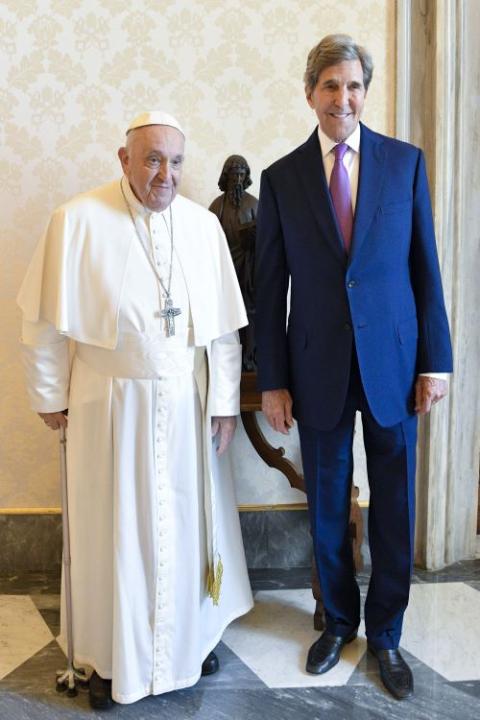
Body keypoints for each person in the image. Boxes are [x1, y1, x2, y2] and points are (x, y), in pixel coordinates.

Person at [17, 111, 253, 710]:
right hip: (107, 408)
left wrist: (224, 402)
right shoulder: (77, 221)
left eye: (175, 162)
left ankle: (190, 641)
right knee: (110, 531)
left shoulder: (202, 228)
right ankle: (107, 656)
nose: (165, 174)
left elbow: (223, 333)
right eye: (152, 159)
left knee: (188, 523)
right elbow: (42, 322)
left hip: (183, 404)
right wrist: (50, 394)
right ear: (124, 160)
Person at [255, 35, 452, 700]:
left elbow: (426, 269)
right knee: (329, 507)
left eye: (354, 86)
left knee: (394, 504)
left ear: (365, 92)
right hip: (317, 367)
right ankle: (337, 621)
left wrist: (438, 362)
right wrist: (274, 379)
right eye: (330, 86)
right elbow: (269, 287)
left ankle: (388, 633)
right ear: (310, 92)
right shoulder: (281, 178)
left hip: (396, 365)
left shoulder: (404, 165)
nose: (343, 98)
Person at [209, 155, 258, 371]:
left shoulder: (254, 204)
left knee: (249, 314)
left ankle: (250, 357)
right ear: (226, 177)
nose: (237, 179)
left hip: (248, 268)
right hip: (224, 268)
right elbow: (208, 239)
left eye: (241, 174)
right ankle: (226, 360)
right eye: (233, 175)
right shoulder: (217, 206)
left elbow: (266, 238)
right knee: (225, 314)